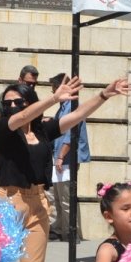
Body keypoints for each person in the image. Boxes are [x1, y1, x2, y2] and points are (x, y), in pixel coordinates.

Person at [0, 75, 131, 262]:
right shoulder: (3, 129)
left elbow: (76, 116)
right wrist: (54, 98)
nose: (14, 106)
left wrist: (104, 94)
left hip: (37, 203)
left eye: (19, 101)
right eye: (8, 103)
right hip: (8, 203)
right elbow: (18, 120)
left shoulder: (42, 130)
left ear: (29, 101)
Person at [49, 78, 90, 242]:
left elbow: (70, 135)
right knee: (57, 197)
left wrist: (60, 156)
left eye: (54, 88)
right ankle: (60, 229)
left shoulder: (72, 107)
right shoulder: (63, 108)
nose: (53, 92)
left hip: (66, 159)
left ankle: (72, 232)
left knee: (66, 198)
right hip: (59, 158)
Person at [0, 65, 39, 165]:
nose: (31, 87)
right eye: (28, 83)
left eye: (34, 84)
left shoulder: (34, 98)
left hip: (29, 146)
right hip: (8, 145)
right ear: (20, 80)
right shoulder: (5, 97)